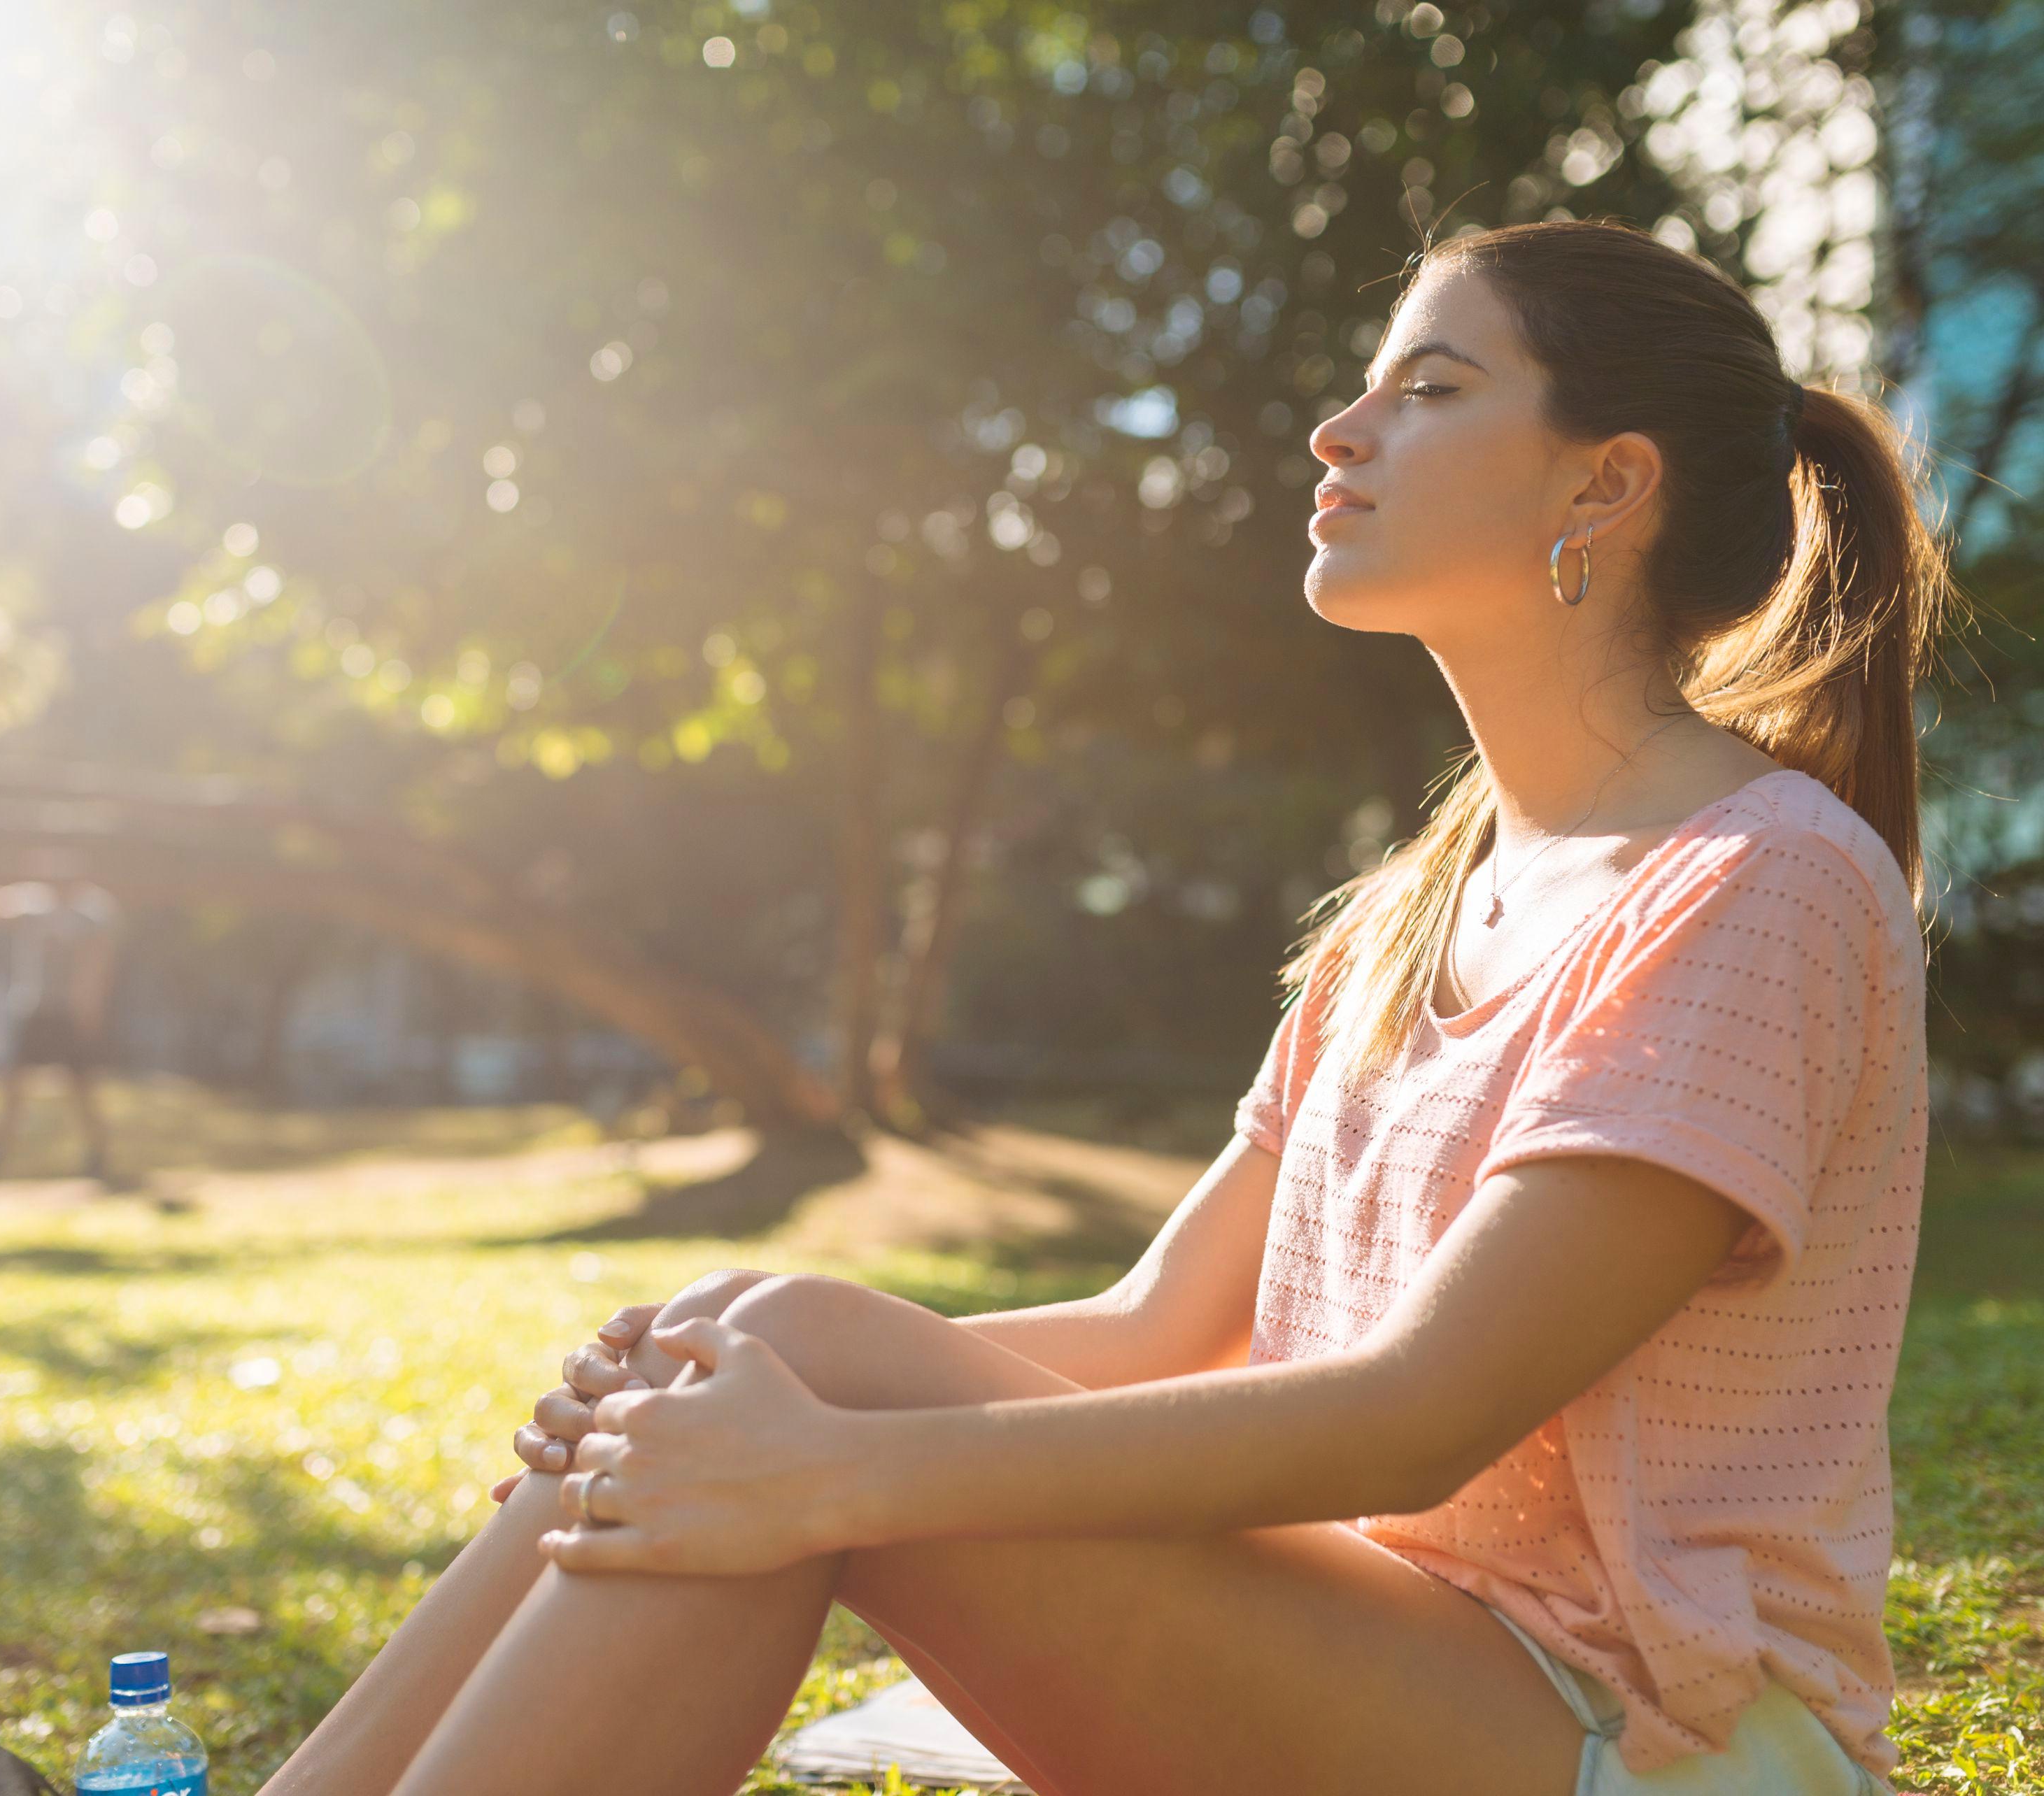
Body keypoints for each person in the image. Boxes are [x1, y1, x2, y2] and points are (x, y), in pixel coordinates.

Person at [253, 220, 1952, 1796]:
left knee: (801, 1379)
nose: (1337, 431)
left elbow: (1415, 1413)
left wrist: (824, 1466)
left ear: (1608, 481)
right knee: (751, 1332)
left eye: (1428, 389)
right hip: (1394, 1657)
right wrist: (716, 1398)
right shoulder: (1414, 903)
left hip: (1653, 1740)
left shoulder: (1759, 879)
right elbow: (1155, 1324)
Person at [0, 877, 121, 1181]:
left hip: (66, 1014)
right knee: (14, 1082)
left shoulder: (89, 917)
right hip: (36, 1012)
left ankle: (98, 1151)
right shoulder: (34, 908)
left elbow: (95, 965)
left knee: (80, 1086)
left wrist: (88, 1010)